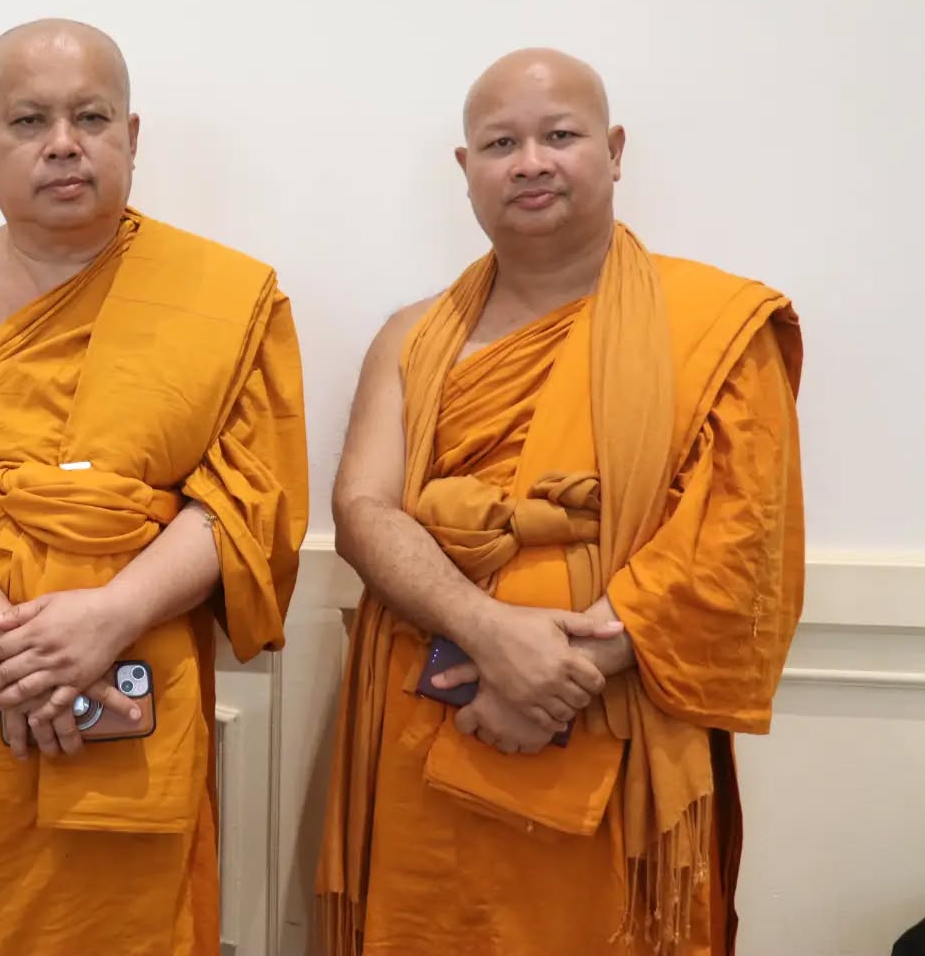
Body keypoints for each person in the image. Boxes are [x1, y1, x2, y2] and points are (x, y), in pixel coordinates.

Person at [0, 18, 309, 954]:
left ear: (131, 136)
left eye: (91, 118)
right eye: (29, 121)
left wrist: (104, 619)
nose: (63, 144)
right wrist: (5, 644)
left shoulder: (226, 293)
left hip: (127, 656)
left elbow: (244, 500)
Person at [315, 48, 804, 956]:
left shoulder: (715, 326)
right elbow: (363, 512)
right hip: (428, 713)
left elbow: (738, 541)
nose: (530, 162)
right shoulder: (412, 336)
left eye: (560, 135)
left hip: (610, 721)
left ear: (614, 151)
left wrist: (556, 675)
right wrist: (493, 635)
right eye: (501, 143)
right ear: (466, 168)